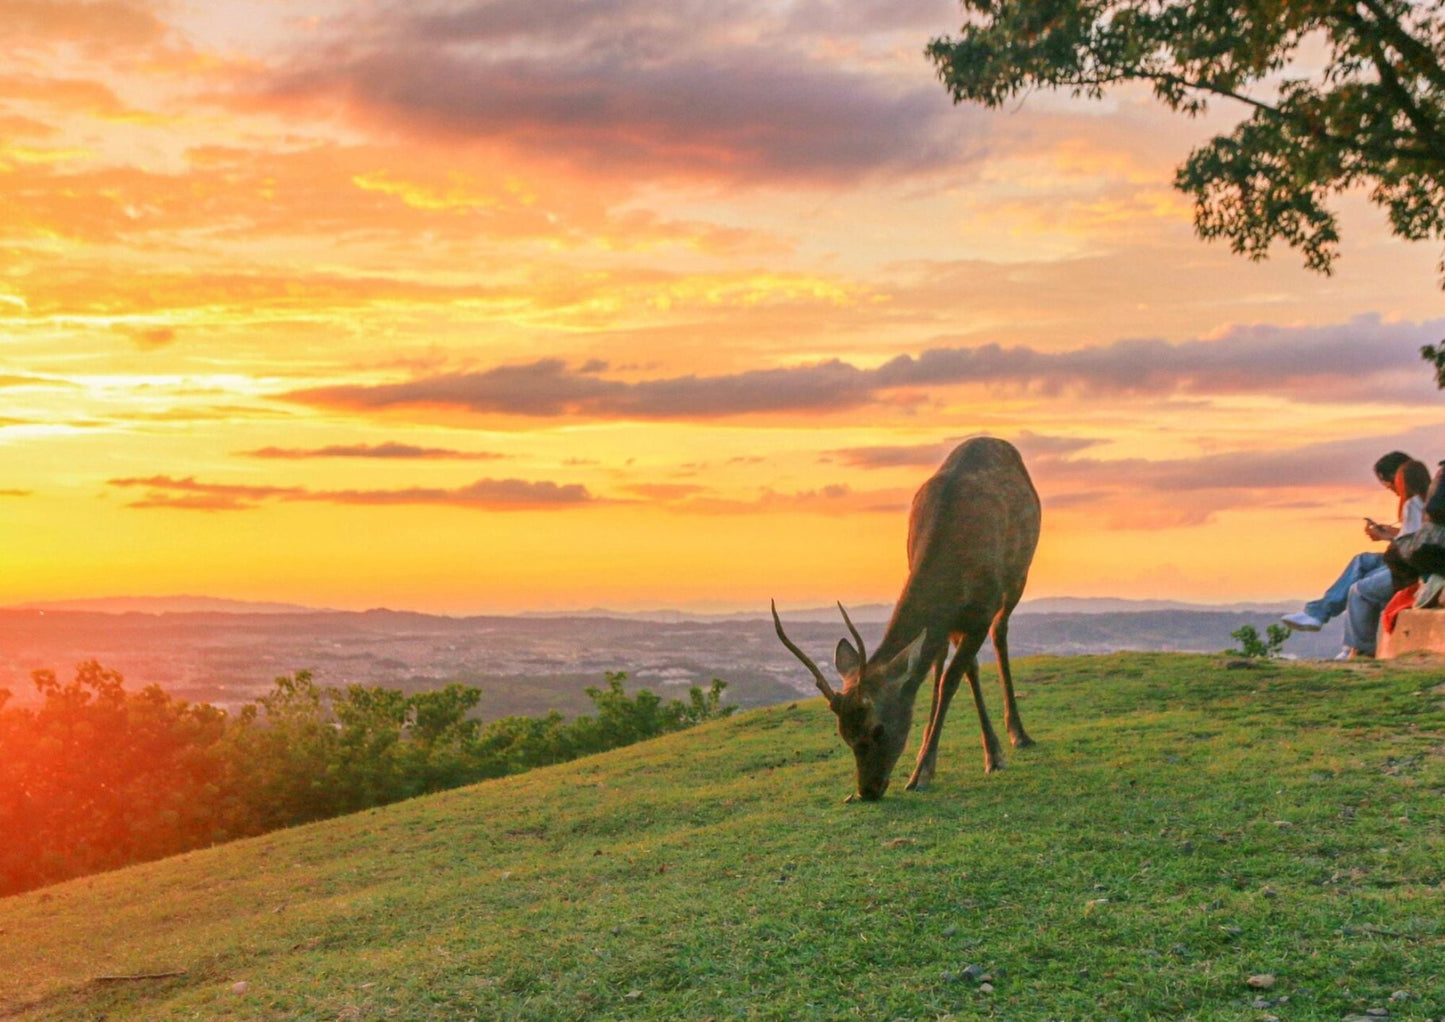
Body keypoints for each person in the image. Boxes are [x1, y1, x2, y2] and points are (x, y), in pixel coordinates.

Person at [1281, 454, 1428, 652]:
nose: (1392, 491)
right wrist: (1391, 534)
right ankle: (1317, 613)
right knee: (1362, 561)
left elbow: (1416, 546)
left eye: (1390, 485)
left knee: (1360, 589)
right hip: (1407, 560)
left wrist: (1388, 537)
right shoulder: (1425, 500)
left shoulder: (1414, 504)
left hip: (1411, 566)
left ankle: (1357, 649)